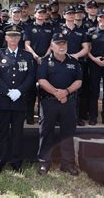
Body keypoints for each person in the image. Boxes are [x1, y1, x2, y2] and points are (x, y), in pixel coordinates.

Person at [37, 33, 82, 176]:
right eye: (58, 43)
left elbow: (79, 81)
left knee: (68, 133)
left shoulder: (74, 61)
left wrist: (66, 92)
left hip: (68, 102)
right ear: (52, 45)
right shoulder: (45, 61)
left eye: (64, 43)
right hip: (49, 102)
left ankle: (68, 164)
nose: (61, 46)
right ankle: (44, 163)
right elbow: (42, 80)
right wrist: (57, 93)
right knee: (46, 132)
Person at [0, 25, 35, 173]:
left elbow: (30, 77)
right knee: (2, 133)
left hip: (20, 100)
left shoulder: (27, 56)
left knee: (17, 133)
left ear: (20, 38)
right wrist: (7, 91)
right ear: (6, 38)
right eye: (10, 36)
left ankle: (16, 162)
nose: (13, 39)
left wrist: (19, 91)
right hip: (3, 99)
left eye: (16, 36)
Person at [56, 5, 90, 126]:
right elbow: (52, 45)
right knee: (60, 88)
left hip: (76, 63)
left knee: (76, 91)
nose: (71, 15)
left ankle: (75, 117)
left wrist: (76, 55)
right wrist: (62, 55)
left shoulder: (81, 31)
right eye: (68, 13)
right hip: (60, 62)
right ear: (64, 15)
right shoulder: (59, 29)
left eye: (73, 13)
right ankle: (59, 117)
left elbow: (86, 48)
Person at [24, 4, 53, 124]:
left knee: (45, 90)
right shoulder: (29, 27)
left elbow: (52, 44)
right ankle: (29, 116)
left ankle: (43, 116)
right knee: (30, 90)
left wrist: (45, 57)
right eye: (39, 12)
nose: (41, 15)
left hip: (46, 61)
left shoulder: (50, 27)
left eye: (43, 13)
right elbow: (27, 45)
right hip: (32, 60)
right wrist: (35, 56)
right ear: (35, 13)